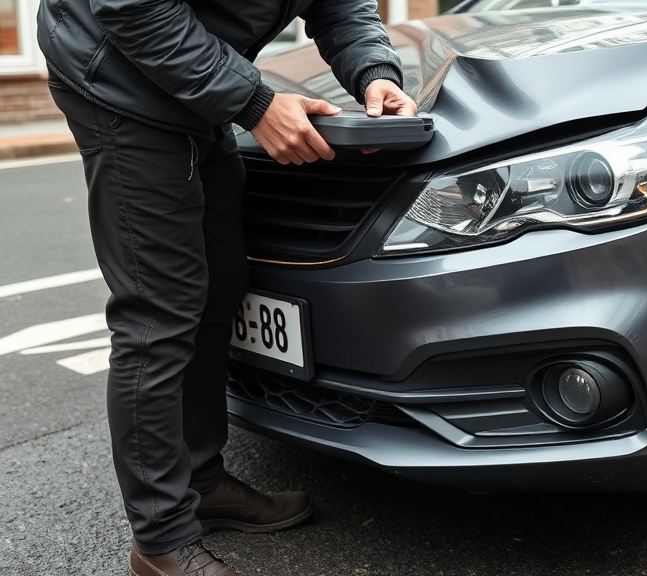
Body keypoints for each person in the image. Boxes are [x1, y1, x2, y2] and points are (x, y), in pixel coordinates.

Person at [36, 0, 417, 574]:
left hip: (194, 80)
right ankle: (160, 539)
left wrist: (376, 73)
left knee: (219, 284)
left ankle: (202, 483)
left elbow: (340, 6)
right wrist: (255, 102)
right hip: (117, 77)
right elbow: (131, 7)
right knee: (158, 311)